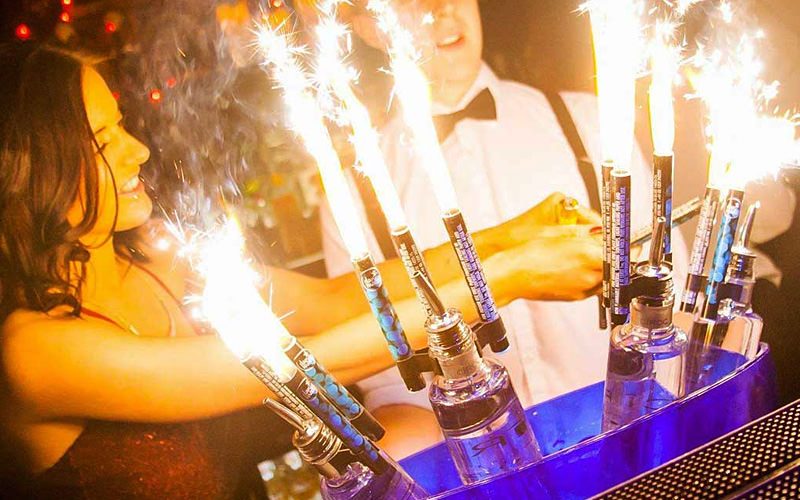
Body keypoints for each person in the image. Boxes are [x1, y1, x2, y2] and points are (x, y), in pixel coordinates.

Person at [0, 44, 601, 495]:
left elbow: (340, 300)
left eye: (122, 125)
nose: (139, 150)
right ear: (31, 169)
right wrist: (506, 278)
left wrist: (505, 237)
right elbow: (305, 364)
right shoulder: (36, 353)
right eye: (102, 141)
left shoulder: (161, 266)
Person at [319, 0, 692, 457]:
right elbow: (389, 383)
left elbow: (679, 299)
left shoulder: (591, 121)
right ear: (362, 25)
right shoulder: (352, 194)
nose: (440, 9)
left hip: (642, 438)